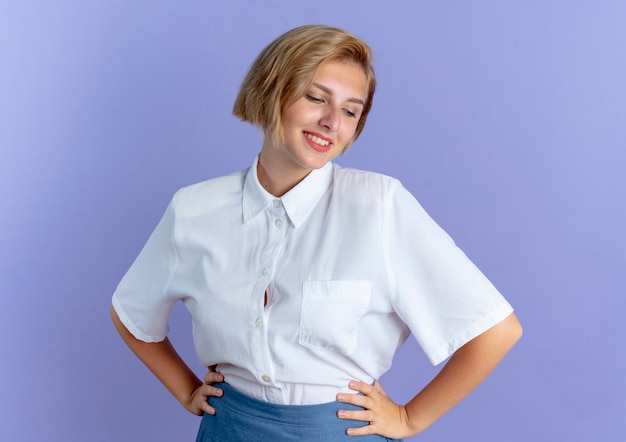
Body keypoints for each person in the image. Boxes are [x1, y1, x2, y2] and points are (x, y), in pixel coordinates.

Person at [110, 24, 522, 441]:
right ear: (271, 90)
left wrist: (409, 419)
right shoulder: (194, 208)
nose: (331, 122)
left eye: (350, 111)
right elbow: (130, 313)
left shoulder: (379, 205)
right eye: (315, 98)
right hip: (228, 428)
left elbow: (496, 331)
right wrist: (186, 391)